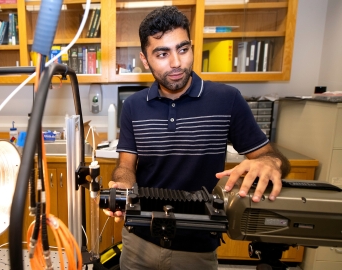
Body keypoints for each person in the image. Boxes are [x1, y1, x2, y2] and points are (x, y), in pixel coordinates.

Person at [103, 6, 290, 270]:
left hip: (197, 249)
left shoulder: (227, 100)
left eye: (182, 49)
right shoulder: (134, 106)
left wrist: (270, 164)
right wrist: (122, 186)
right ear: (145, 60)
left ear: (192, 47)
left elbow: (271, 156)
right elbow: (126, 166)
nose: (176, 62)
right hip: (138, 242)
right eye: (162, 54)